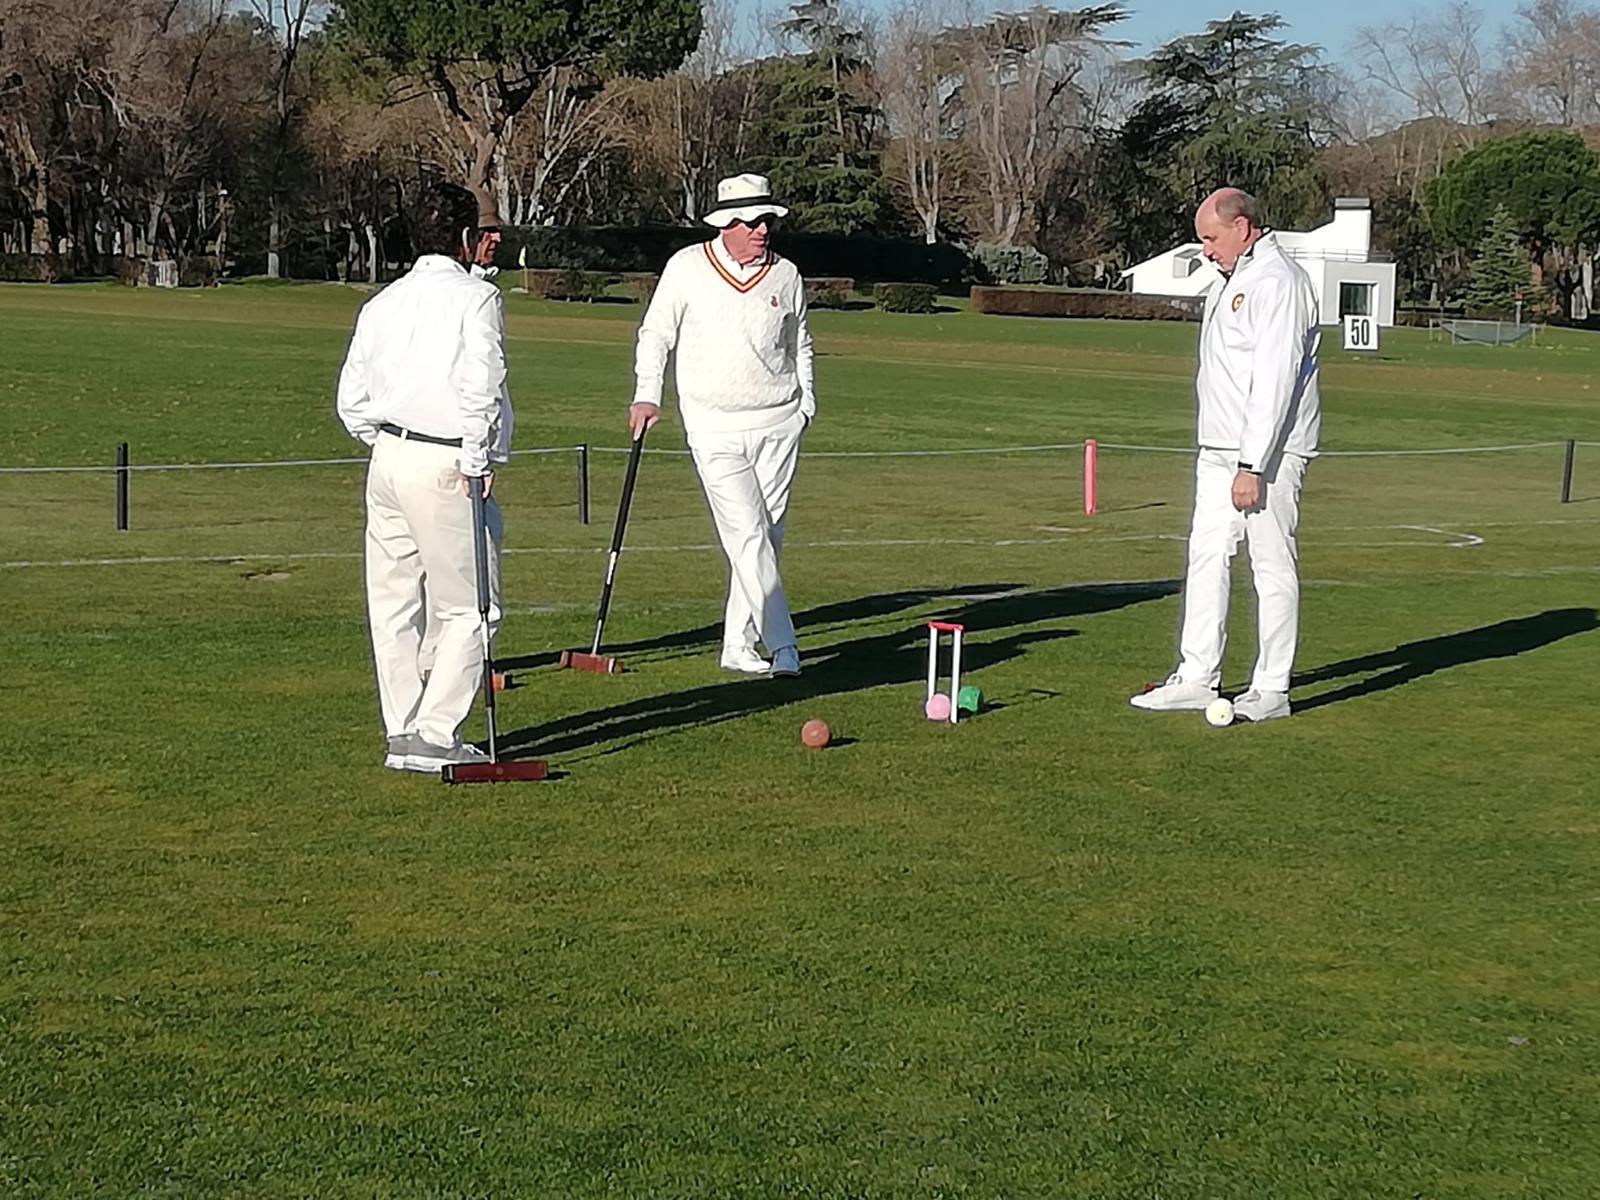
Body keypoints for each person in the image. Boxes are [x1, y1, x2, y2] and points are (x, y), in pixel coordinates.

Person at [335, 181, 514, 771]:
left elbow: (351, 402)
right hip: (445, 463)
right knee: (473, 609)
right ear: (465, 238)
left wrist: (390, 444)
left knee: (394, 604)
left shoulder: (381, 303)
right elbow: (481, 384)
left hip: (387, 458)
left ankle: (404, 730)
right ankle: (436, 735)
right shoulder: (474, 299)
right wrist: (475, 459)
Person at [1131, 187, 1321, 723]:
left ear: (1243, 227)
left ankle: (1271, 688)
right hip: (1217, 448)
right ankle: (1196, 675)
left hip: (1270, 453)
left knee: (1270, 565)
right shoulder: (1230, 279)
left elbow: (1275, 380)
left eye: (1211, 238)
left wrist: (1252, 464)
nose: (1206, 250)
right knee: (1206, 556)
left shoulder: (1279, 282)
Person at [630, 172, 815, 677]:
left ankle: (738, 644)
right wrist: (647, 394)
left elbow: (800, 342)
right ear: (727, 224)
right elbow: (655, 334)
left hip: (779, 420)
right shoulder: (687, 267)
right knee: (748, 534)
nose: (763, 231)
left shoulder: (786, 274)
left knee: (764, 539)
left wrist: (806, 405)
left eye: (768, 222)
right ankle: (785, 646)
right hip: (713, 425)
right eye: (754, 222)